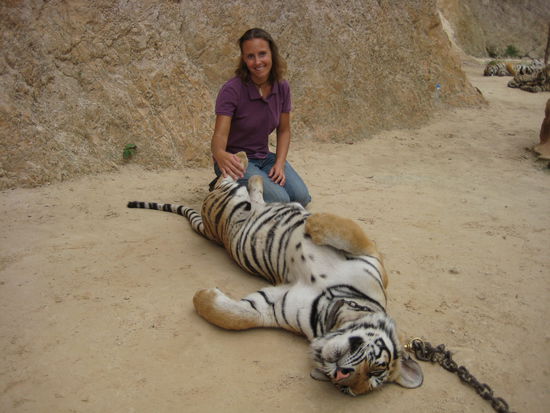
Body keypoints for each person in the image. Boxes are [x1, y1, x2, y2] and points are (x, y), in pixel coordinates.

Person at [210, 28, 311, 207]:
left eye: (262, 54)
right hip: (236, 160)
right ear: (243, 59)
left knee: (301, 197)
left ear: (272, 53)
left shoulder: (282, 87)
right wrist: (219, 154)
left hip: (264, 157)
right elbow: (220, 135)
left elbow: (284, 130)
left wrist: (279, 164)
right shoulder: (232, 90)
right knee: (280, 199)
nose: (257, 62)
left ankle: (238, 187)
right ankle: (224, 184)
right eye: (250, 56)